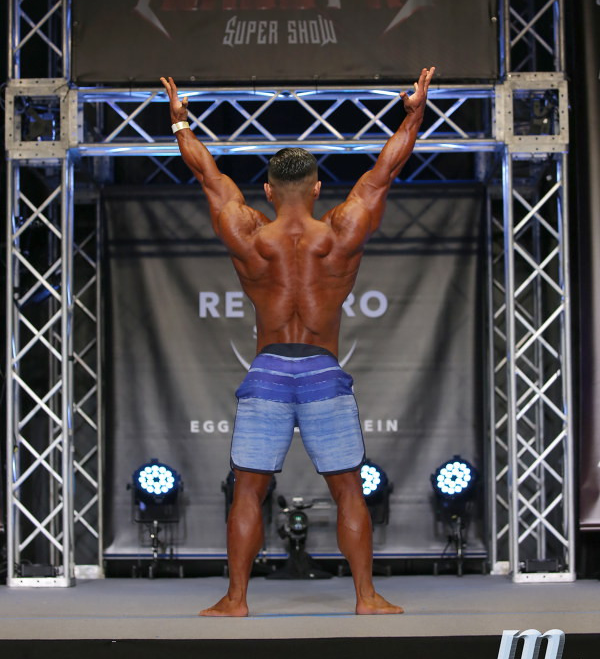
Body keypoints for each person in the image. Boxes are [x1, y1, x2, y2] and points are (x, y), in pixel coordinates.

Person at [160, 67, 435, 616]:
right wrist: (413, 115)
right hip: (322, 371)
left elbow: (208, 174)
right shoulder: (341, 230)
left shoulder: (246, 231)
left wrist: (180, 121)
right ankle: (366, 597)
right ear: (316, 188)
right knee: (348, 489)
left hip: (267, 371)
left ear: (266, 190)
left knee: (247, 489)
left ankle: (236, 600)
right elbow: (385, 171)